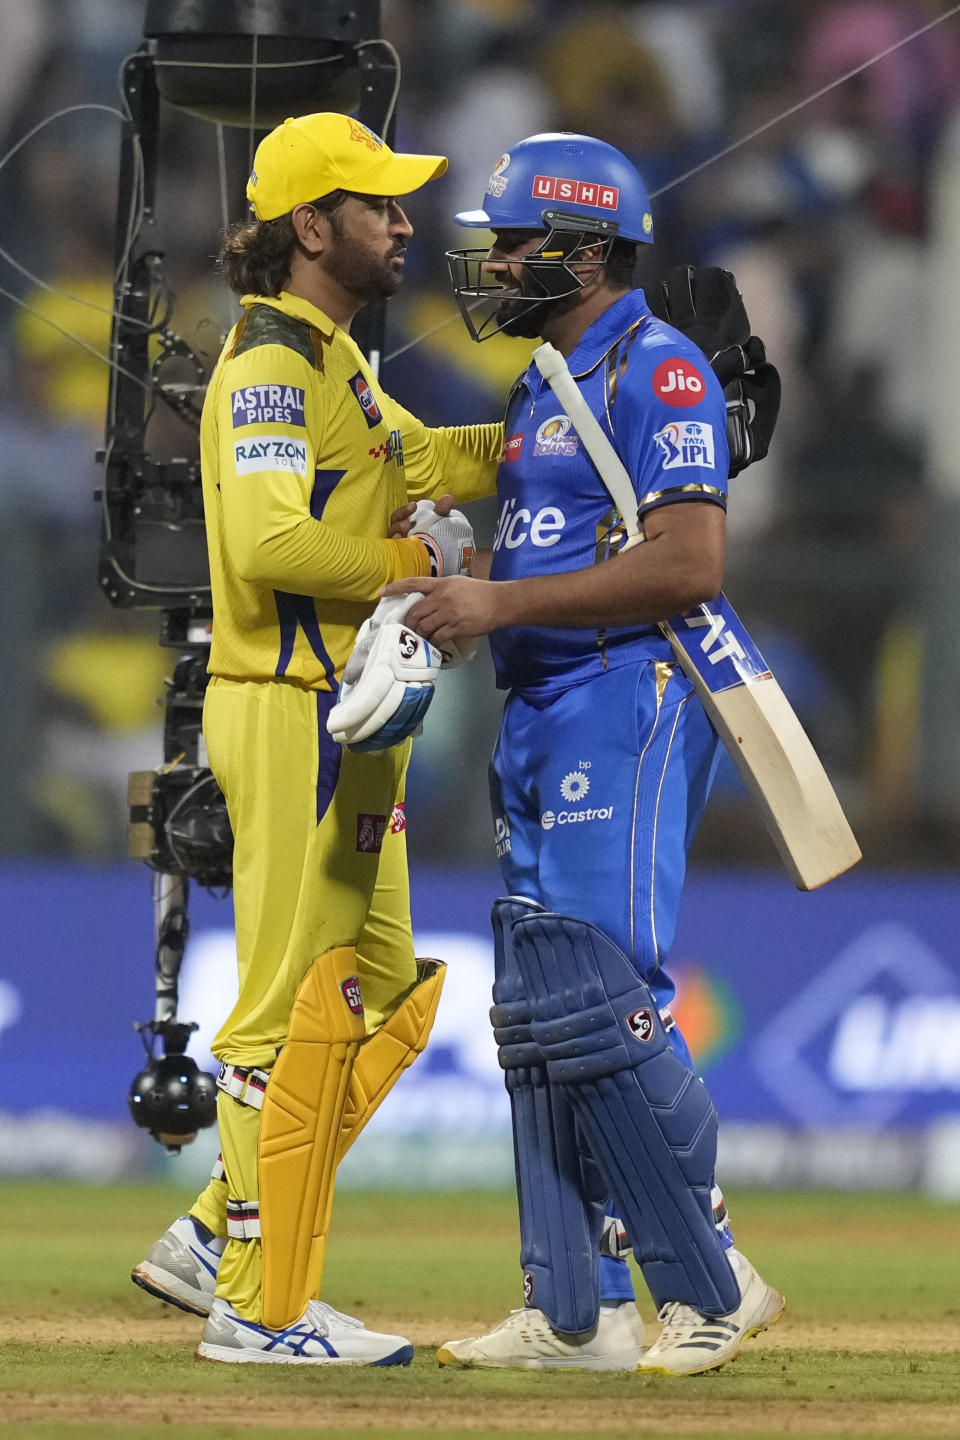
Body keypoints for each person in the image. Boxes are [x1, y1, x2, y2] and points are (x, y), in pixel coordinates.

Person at [382, 131, 785, 1375]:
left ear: (588, 249)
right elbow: (557, 557)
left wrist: (497, 608)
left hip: (630, 694)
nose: (494, 264)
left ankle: (714, 1281)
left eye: (514, 243)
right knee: (541, 1007)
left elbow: (688, 562)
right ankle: (577, 1309)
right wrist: (467, 573)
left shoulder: (657, 370)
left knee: (606, 1000)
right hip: (543, 698)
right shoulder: (542, 380)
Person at [130, 111, 501, 1364]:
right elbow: (272, 546)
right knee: (280, 1015)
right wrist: (413, 563)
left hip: (344, 718)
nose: (405, 222)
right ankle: (258, 1299)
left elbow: (419, 455)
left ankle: (215, 1233)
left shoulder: (334, 361)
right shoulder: (273, 370)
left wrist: (544, 439)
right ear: (311, 226)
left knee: (385, 990)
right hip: (289, 707)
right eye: (379, 203)